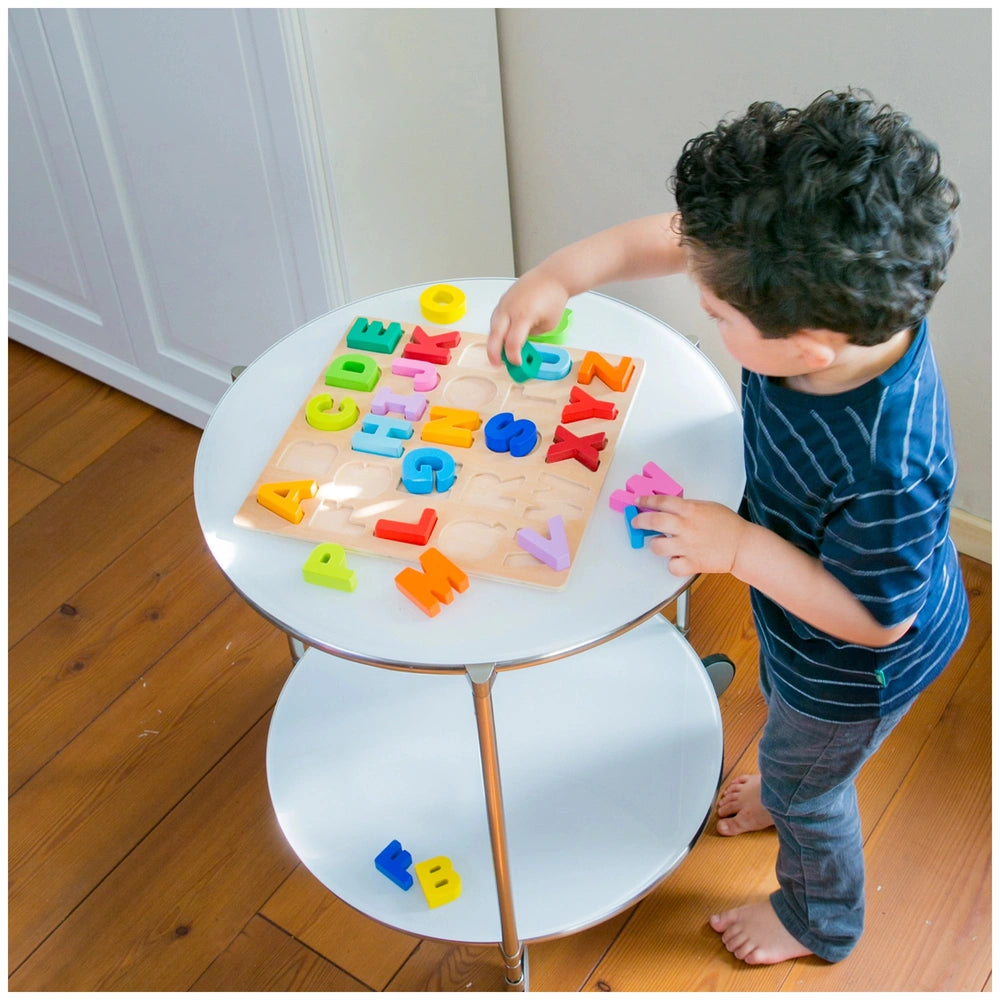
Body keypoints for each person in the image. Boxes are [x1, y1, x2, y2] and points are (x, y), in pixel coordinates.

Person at [486, 89, 970, 966]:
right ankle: (789, 784)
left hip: (854, 659)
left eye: (718, 317)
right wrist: (558, 275)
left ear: (809, 347)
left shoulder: (888, 464)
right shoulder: (841, 290)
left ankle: (819, 919)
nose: (706, 308)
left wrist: (738, 546)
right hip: (803, 597)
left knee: (808, 778)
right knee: (785, 725)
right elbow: (674, 239)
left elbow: (877, 619)